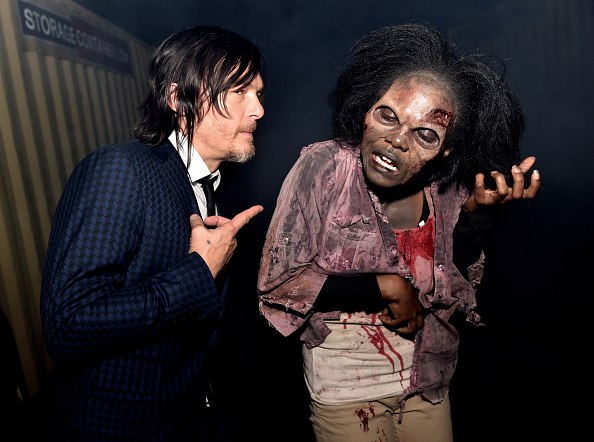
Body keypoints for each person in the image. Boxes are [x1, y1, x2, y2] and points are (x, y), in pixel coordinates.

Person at [257, 22, 540, 442]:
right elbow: (278, 284)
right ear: (365, 108)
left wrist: (477, 216)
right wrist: (384, 285)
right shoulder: (325, 166)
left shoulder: (448, 189)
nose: (396, 141)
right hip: (347, 388)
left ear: (447, 149)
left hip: (429, 377)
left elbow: (452, 274)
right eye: (387, 115)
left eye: (425, 134)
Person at [40, 25, 264, 441]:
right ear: (178, 99)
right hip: (115, 429)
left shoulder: (212, 189)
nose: (258, 110)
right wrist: (198, 272)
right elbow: (68, 326)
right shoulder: (121, 170)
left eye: (258, 94)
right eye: (239, 91)